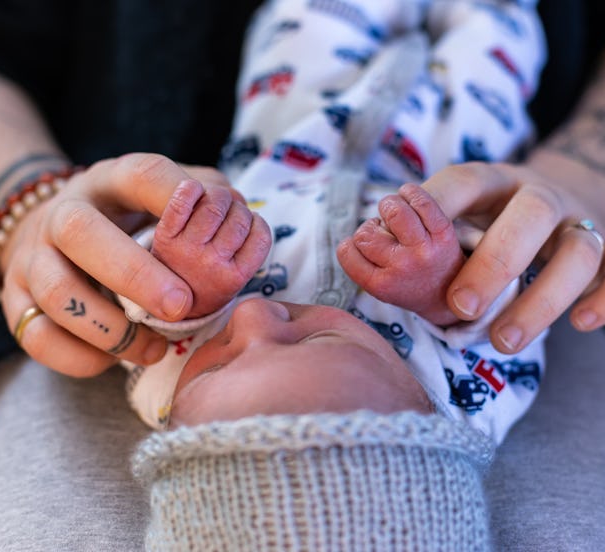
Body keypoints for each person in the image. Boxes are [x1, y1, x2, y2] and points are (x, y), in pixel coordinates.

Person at [0, 0, 605, 550]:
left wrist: (185, 263)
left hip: (293, 90)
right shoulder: (463, 398)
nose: (255, 321)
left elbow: (151, 315)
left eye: (223, 358)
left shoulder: (174, 383)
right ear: (424, 409)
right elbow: (489, 315)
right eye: (298, 335)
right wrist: (436, 275)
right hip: (462, 121)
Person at [121, 1, 546, 444]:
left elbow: (131, 305)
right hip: (452, 153)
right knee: (495, 39)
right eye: (305, 344)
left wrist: (183, 286)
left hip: (292, 131)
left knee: (309, 24)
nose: (251, 316)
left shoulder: (170, 397)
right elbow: (515, 338)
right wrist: (446, 291)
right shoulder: (461, 411)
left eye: (215, 365)